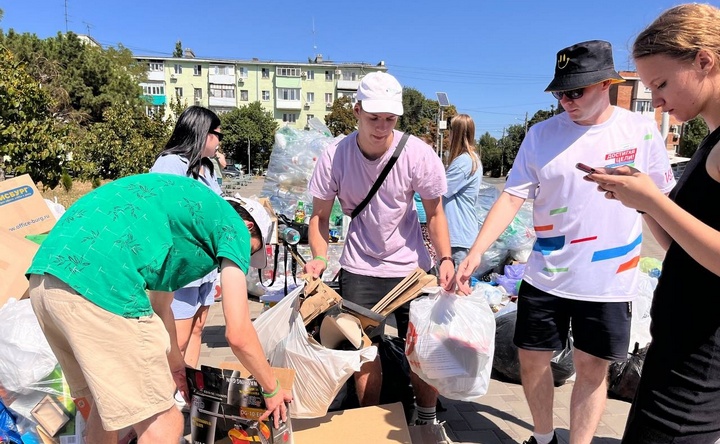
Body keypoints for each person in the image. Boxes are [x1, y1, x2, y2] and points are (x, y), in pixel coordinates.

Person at [455, 40, 675, 444]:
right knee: (532, 360)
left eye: (576, 91)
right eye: (560, 92)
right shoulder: (540, 135)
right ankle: (543, 438)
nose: (566, 102)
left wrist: (680, 256)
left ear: (607, 83)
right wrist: (475, 252)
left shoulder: (640, 131)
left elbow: (660, 202)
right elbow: (511, 195)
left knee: (592, 369)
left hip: (609, 280)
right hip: (546, 276)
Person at [27, 173, 292, 443]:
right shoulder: (233, 227)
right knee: (163, 424)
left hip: (46, 280)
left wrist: (176, 364)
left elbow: (161, 306)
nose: (241, 259)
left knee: (107, 408)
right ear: (249, 227)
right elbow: (238, 333)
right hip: (102, 287)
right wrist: (271, 389)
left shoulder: (190, 211)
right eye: (250, 251)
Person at [588, 5, 720, 442]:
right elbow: (687, 250)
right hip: (678, 350)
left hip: (699, 364)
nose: (657, 100)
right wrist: (641, 202)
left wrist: (654, 202)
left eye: (661, 84)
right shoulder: (710, 141)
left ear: (704, 61)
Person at [303, 71, 454, 427]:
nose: (382, 127)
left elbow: (435, 212)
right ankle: (368, 420)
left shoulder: (418, 153)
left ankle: (426, 418)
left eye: (390, 119)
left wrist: (445, 258)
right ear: (356, 110)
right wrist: (319, 258)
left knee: (421, 349)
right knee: (364, 350)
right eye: (373, 118)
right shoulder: (334, 156)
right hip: (360, 268)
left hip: (412, 269)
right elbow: (319, 217)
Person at [150, 106, 224, 372]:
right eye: (217, 135)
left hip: (205, 265)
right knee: (176, 340)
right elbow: (162, 211)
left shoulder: (206, 168)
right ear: (202, 133)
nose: (219, 142)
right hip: (181, 266)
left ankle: (188, 392)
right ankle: (168, 391)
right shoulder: (170, 164)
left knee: (198, 328)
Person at [443, 114, 482, 266]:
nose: (448, 135)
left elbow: (440, 190)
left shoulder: (463, 162)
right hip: (460, 233)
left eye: (450, 131)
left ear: (456, 133)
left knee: (456, 286)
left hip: (458, 233)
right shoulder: (468, 159)